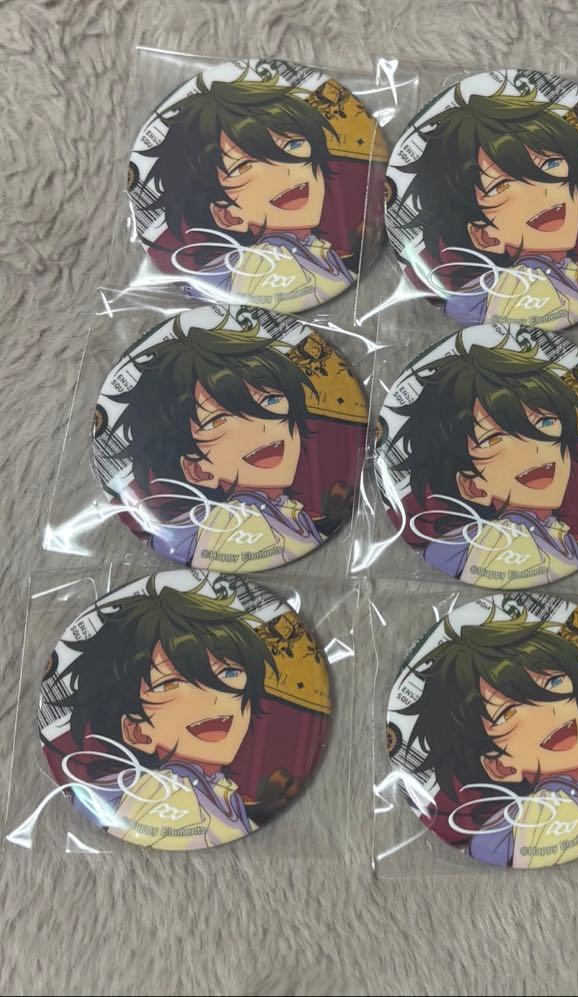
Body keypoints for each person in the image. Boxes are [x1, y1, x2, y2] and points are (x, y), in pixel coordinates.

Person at [47, 580, 280, 849]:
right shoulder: (168, 795)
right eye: (169, 684)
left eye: (228, 672)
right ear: (137, 731)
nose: (211, 698)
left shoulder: (214, 791)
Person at [401, 610, 578, 868]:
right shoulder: (541, 816)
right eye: (508, 712)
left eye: (554, 681)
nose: (550, 711)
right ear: (499, 766)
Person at [111, 314, 333, 571]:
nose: (261, 427)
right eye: (216, 421)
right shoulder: (239, 524)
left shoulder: (280, 513)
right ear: (197, 469)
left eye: (270, 400)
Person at [389, 334, 578, 587]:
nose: (533, 448)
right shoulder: (504, 541)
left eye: (545, 421)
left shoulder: (554, 536)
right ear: (472, 486)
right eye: (493, 439)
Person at [401, 84, 578, 329]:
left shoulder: (566, 274)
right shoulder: (525, 287)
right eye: (500, 186)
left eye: (550, 164)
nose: (541, 193)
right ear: (484, 235)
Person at [144, 72, 352, 310]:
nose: (284, 171)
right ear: (227, 215)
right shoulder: (270, 262)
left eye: (292, 144)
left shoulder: (308, 250)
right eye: (242, 167)